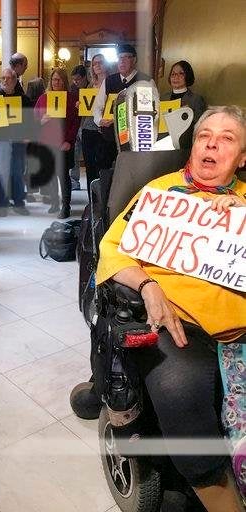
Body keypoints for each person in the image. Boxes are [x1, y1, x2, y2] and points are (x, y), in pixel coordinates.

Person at [96, 106, 246, 512]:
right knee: (180, 391)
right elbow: (111, 247)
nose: (212, 143)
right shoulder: (159, 193)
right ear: (193, 145)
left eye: (227, 138)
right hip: (182, 324)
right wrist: (146, 285)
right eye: (204, 136)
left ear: (242, 157)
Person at [93, 44, 151, 170]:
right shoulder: (108, 81)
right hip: (110, 137)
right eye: (119, 58)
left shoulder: (146, 81)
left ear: (134, 60)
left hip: (133, 140)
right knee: (107, 172)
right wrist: (99, 120)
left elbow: (150, 112)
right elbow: (97, 106)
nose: (122, 61)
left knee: (130, 172)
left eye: (126, 57)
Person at [34, 67, 80, 218]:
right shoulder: (43, 98)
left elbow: (75, 122)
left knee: (63, 174)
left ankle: (65, 206)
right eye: (54, 79)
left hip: (63, 143)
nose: (56, 82)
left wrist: (69, 141)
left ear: (64, 81)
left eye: (59, 79)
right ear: (50, 81)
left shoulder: (72, 99)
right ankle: (54, 202)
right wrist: (41, 120)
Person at [0, 67, 32, 215]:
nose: (6, 80)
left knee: (17, 172)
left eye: (9, 78)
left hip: (19, 140)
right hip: (0, 140)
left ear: (16, 81)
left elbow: (30, 121)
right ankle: (2, 203)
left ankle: (18, 203)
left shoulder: (25, 100)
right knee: (2, 172)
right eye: (3, 78)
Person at [80, 54, 109, 197]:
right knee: (90, 167)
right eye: (94, 63)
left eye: (100, 62)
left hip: (105, 129)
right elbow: (86, 107)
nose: (97, 65)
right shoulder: (90, 84)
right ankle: (92, 201)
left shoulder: (112, 82)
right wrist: (80, 105)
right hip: (88, 129)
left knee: (104, 166)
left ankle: (104, 199)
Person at [161, 60, 207, 147]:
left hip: (184, 146)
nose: (176, 77)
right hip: (162, 144)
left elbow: (200, 126)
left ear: (188, 76)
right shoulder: (162, 98)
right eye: (173, 74)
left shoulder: (196, 99)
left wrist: (186, 115)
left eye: (181, 73)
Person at [69, 65, 89, 191]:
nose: (75, 82)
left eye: (78, 79)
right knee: (75, 154)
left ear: (84, 78)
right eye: (74, 79)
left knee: (88, 155)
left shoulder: (91, 87)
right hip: (76, 124)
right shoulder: (72, 89)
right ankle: (74, 181)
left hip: (88, 124)